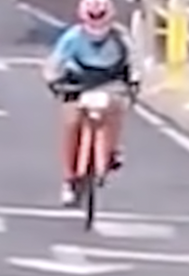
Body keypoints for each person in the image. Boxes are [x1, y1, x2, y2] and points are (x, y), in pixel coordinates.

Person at [42, 0, 140, 207]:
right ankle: (69, 179)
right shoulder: (72, 37)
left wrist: (134, 81)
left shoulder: (121, 37)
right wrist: (53, 81)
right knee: (71, 122)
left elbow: (134, 61)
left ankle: (112, 150)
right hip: (78, 84)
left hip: (110, 83)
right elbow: (54, 63)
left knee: (116, 108)